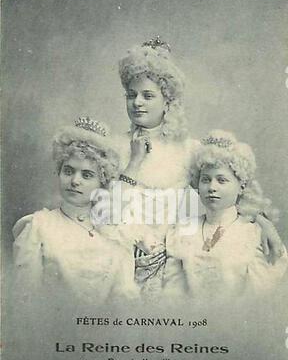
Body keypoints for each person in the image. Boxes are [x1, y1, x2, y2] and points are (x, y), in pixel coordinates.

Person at [115, 37, 284, 300]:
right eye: (131, 95)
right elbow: (103, 209)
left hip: (179, 260)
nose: (138, 103)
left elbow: (228, 190)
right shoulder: (114, 148)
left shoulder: (190, 149)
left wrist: (263, 223)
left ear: (168, 101)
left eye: (148, 96)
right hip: (124, 255)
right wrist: (134, 162)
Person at [12, 117, 138, 305]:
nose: (75, 181)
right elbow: (25, 299)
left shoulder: (115, 232)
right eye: (69, 171)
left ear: (101, 182)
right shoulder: (39, 226)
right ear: (59, 171)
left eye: (86, 175)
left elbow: (125, 301)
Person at [166, 130, 287, 301]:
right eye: (206, 179)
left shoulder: (254, 235)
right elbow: (171, 296)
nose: (212, 187)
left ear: (241, 186)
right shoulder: (181, 230)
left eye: (221, 180)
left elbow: (258, 300)